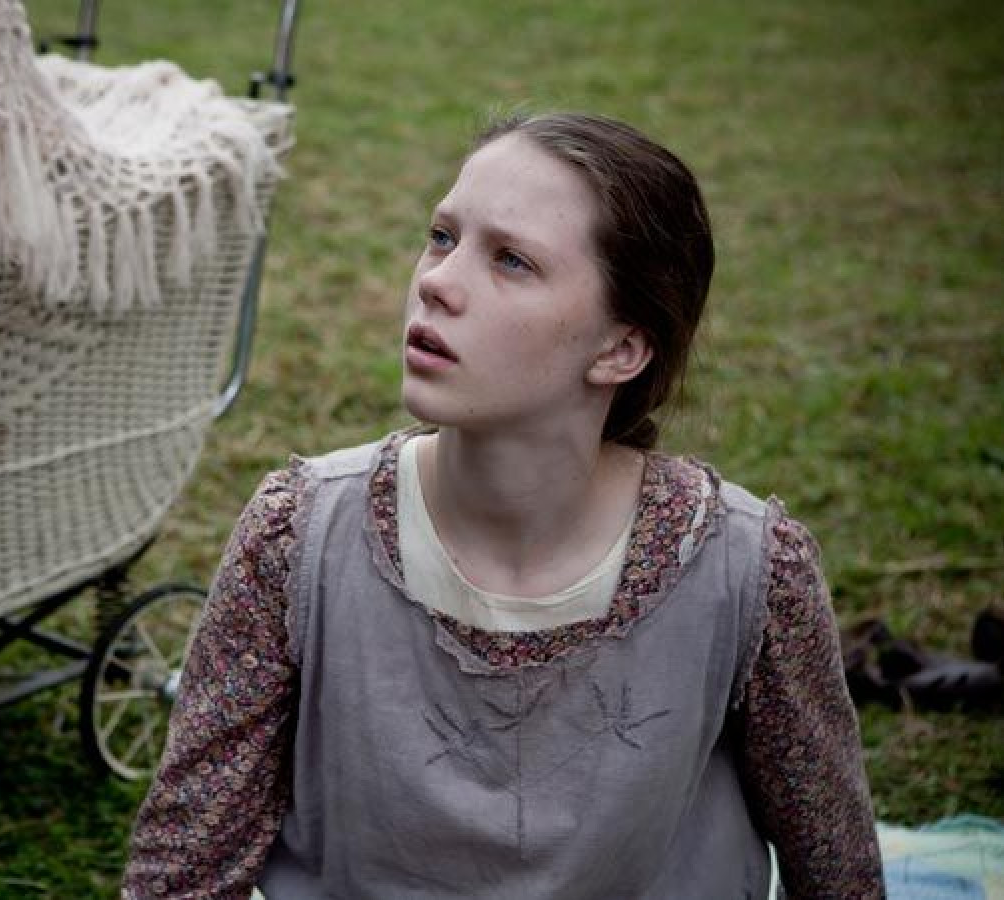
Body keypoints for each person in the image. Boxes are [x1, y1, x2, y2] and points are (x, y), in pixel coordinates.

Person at [122, 112, 883, 899]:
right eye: (444, 236)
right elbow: (183, 873)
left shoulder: (749, 574)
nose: (435, 281)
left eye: (512, 261)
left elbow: (839, 875)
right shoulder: (298, 538)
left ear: (620, 348)